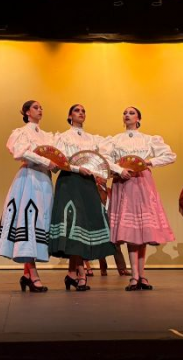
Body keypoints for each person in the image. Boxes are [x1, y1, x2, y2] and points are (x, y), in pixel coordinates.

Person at [104, 106, 176, 291]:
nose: (127, 115)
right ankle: (134, 275)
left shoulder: (148, 139)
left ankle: (141, 275)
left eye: (131, 113)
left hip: (143, 181)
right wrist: (120, 169)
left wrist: (148, 162)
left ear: (138, 119)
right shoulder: (115, 140)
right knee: (131, 230)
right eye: (124, 113)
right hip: (124, 182)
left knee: (143, 230)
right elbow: (104, 158)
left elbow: (170, 156)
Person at [0, 100, 58, 292]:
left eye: (41, 107)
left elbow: (56, 155)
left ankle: (27, 275)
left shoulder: (47, 136)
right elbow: (20, 152)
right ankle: (34, 275)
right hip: (29, 177)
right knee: (29, 220)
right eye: (36, 107)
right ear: (27, 112)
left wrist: (54, 163)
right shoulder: (21, 132)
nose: (40, 110)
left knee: (39, 222)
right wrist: (45, 161)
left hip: (44, 179)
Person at [49, 104, 116, 291]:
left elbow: (102, 160)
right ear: (70, 115)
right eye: (77, 110)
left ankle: (72, 273)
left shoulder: (92, 139)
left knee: (83, 226)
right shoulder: (62, 137)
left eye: (83, 111)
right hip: (69, 182)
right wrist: (77, 168)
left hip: (87, 183)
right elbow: (58, 162)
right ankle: (81, 274)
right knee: (73, 223)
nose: (81, 113)